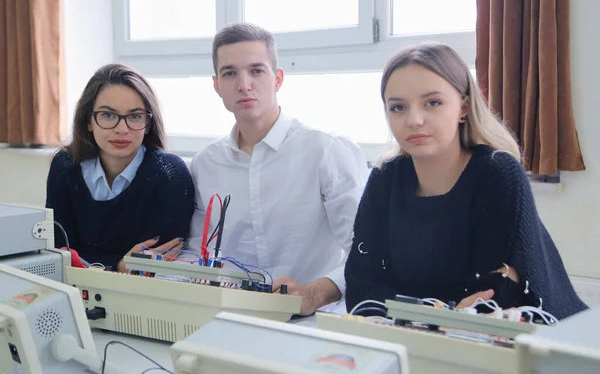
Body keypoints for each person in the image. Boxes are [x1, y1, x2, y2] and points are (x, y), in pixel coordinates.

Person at [344, 43, 587, 320]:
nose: (414, 120)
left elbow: (492, 301)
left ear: (464, 108)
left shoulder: (497, 173)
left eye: (433, 103)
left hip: (543, 344)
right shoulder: (384, 179)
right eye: (398, 107)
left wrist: (422, 313)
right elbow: (361, 289)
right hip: (419, 341)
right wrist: (442, 314)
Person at [187, 23, 369, 315]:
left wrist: (314, 294)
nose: (244, 84)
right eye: (230, 73)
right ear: (216, 85)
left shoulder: (326, 151)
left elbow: (365, 249)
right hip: (233, 317)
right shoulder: (205, 164)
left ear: (278, 79)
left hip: (316, 320)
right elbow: (197, 250)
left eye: (256, 70)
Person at [46, 63, 195, 272]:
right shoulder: (65, 166)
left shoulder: (169, 173)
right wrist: (119, 265)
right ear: (89, 120)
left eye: (134, 116)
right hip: (76, 288)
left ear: (148, 123)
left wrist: (96, 262)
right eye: (108, 115)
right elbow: (60, 253)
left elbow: (159, 261)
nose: (122, 129)